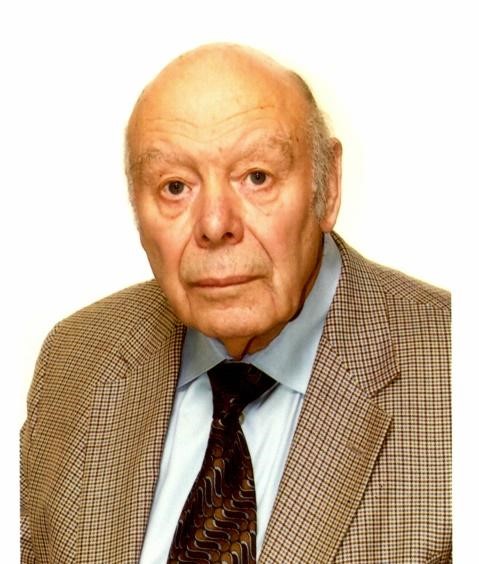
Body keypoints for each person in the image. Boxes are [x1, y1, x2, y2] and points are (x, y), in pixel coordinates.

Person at [21, 44, 451, 563]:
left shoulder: (452, 370)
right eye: (175, 187)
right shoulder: (76, 359)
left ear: (329, 186)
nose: (214, 224)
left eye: (257, 177)